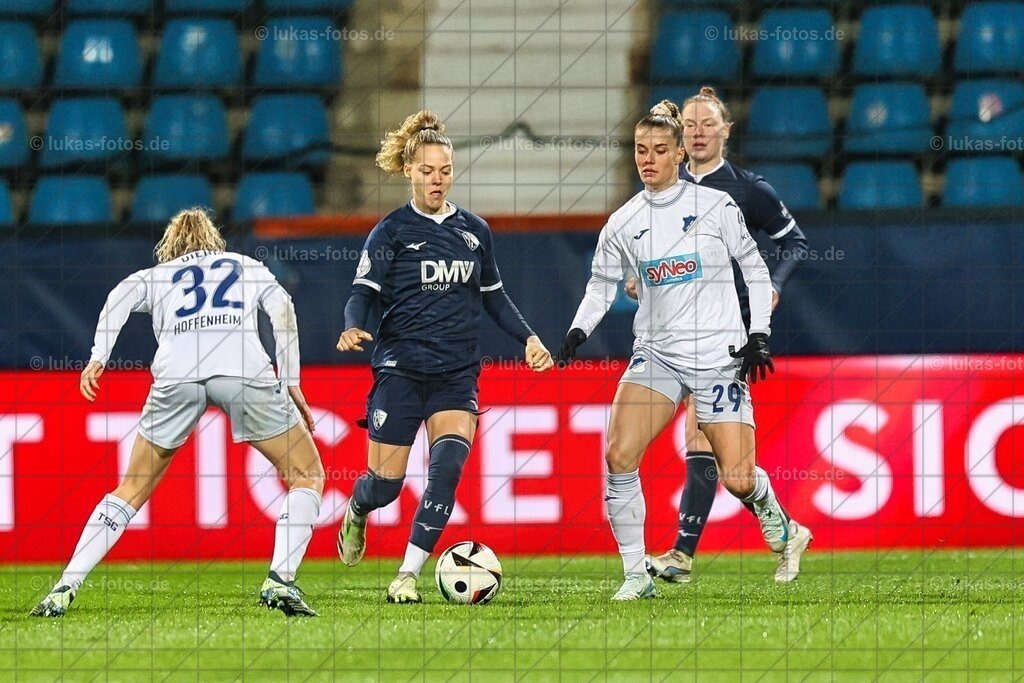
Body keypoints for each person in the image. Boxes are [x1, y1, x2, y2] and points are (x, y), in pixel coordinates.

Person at [556, 100, 812, 601]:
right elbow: (600, 287)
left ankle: (781, 524)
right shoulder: (623, 223)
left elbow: (756, 269)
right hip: (658, 354)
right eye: (639, 150)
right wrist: (576, 332)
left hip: (719, 356)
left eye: (658, 150)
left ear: (678, 156)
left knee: (738, 479)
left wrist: (758, 333)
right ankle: (635, 577)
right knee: (619, 454)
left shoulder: (719, 208)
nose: (647, 159)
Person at [30, 208, 325, 618]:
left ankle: (65, 585)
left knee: (131, 488)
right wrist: (290, 378)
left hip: (177, 377)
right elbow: (283, 309)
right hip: (243, 371)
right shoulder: (245, 265)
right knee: (307, 474)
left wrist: (99, 356)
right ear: (214, 240)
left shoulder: (158, 275)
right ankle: (280, 580)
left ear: (169, 246)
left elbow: (118, 296)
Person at [336, 110, 553, 604]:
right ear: (409, 171)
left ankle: (406, 575)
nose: (437, 179)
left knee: (447, 469)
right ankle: (357, 508)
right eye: (427, 170)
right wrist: (352, 326)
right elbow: (362, 293)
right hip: (401, 371)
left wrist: (530, 339)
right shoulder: (390, 232)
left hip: (456, 374)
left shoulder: (475, 231)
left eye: (445, 171)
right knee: (385, 487)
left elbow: (495, 297)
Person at [633, 86, 813, 585]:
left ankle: (686, 554)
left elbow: (793, 241)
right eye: (689, 124)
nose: (697, 132)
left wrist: (773, 286)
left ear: (726, 131)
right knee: (717, 455)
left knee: (708, 443)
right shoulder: (663, 186)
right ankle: (779, 533)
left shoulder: (748, 190)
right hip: (671, 330)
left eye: (707, 123)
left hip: (726, 329)